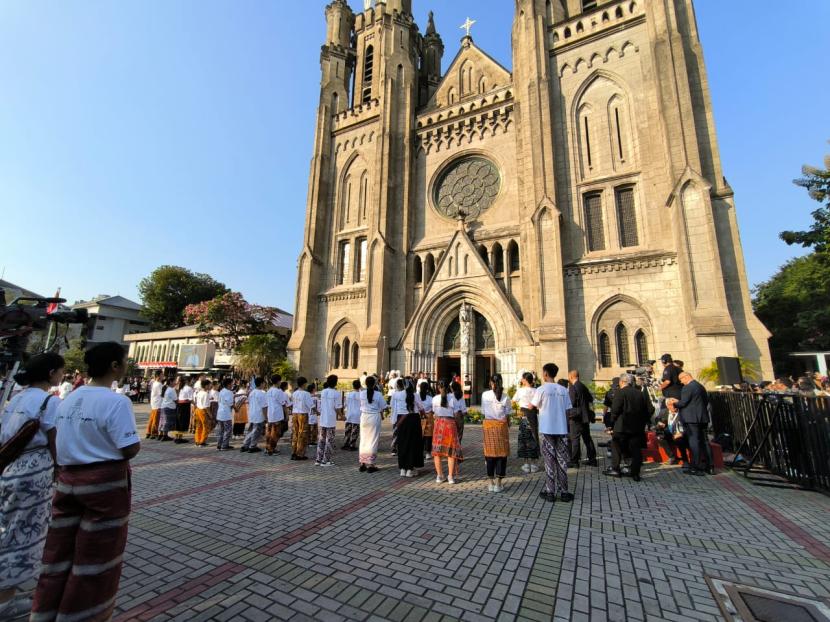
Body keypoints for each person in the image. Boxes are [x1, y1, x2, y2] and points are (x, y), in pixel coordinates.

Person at [31, 342, 140, 622]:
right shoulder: (116, 401)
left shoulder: (69, 399)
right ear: (115, 366)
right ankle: (82, 615)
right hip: (103, 487)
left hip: (68, 481)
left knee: (59, 553)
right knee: (96, 559)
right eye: (124, 361)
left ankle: (45, 612)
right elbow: (129, 447)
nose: (126, 366)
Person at [0, 353, 64, 619]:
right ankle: (5, 602)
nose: (62, 375)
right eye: (61, 371)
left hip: (8, 468)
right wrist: (60, 469)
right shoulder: (50, 402)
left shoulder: (15, 398)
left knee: (7, 528)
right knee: (23, 534)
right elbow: (56, 441)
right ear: (51, 373)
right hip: (33, 473)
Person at [531, 363, 573, 503]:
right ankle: (564, 492)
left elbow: (533, 405)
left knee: (549, 460)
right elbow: (568, 411)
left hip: (547, 429)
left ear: (546, 374)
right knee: (562, 460)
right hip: (561, 429)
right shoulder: (563, 390)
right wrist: (565, 428)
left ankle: (550, 492)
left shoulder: (541, 389)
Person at [604, 373, 653, 481]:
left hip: (622, 426)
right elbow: (650, 410)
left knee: (615, 446)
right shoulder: (640, 393)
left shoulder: (620, 393)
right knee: (636, 450)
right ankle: (635, 473)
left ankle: (615, 469)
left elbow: (615, 410)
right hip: (637, 427)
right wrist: (643, 421)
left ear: (622, 382)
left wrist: (610, 425)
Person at [669, 372, 711, 475]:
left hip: (691, 419)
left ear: (686, 377)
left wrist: (674, 403)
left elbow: (683, 403)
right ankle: (710, 466)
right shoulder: (701, 386)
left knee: (694, 442)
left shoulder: (687, 387)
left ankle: (695, 467)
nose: (681, 382)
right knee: (705, 442)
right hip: (703, 418)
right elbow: (705, 401)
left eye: (681, 379)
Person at [482, 374, 510, 493]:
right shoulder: (505, 397)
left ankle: (490, 482)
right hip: (501, 427)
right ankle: (499, 484)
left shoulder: (485, 395)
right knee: (501, 455)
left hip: (488, 426)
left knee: (489, 455)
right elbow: (508, 414)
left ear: (491, 382)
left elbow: (483, 411)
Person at [432, 380, 463, 484]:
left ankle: (439, 476)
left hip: (438, 424)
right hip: (450, 424)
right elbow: (457, 414)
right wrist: (458, 426)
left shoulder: (435, 398)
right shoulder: (453, 398)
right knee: (451, 451)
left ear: (438, 388)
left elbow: (434, 414)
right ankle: (450, 477)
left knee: (437, 452)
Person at [567, 370, 598, 467]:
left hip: (576, 417)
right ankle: (592, 459)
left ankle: (574, 461)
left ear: (571, 376)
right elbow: (590, 399)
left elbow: (571, 402)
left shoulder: (573, 387)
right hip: (585, 417)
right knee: (587, 438)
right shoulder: (582, 386)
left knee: (575, 439)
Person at [396, 379, 424, 478]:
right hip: (413, 419)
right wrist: (423, 414)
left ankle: (403, 469)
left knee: (402, 443)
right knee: (413, 444)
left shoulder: (397, 394)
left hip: (401, 419)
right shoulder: (415, 395)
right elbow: (421, 408)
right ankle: (410, 469)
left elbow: (394, 408)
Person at [358, 376, 387, 473]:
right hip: (374, 417)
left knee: (363, 439)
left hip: (364, 417)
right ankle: (371, 464)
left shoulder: (361, 394)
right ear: (375, 384)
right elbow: (383, 406)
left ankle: (362, 462)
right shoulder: (378, 394)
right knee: (373, 440)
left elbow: (360, 405)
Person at [513, 372, 540, 473]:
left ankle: (526, 463)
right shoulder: (536, 390)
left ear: (525, 379)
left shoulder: (520, 390)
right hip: (533, 414)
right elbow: (538, 404)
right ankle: (534, 463)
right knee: (533, 436)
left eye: (522, 379)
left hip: (524, 413)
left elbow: (513, 400)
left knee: (524, 437)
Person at [316, 375, 342, 467]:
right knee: (329, 440)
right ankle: (325, 461)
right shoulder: (336, 393)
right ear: (335, 382)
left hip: (323, 418)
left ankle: (318, 459)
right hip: (330, 419)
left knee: (321, 439)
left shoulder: (323, 391)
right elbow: (337, 408)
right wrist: (342, 416)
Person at [290, 377, 314, 461]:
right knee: (302, 434)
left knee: (295, 433)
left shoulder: (294, 393)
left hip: (295, 414)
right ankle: (300, 454)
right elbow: (311, 405)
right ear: (304, 384)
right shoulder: (306, 394)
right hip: (303, 414)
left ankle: (294, 452)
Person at [241, 377, 267, 453]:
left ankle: (246, 445)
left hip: (252, 414)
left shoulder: (252, 392)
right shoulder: (261, 394)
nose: (264, 384)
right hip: (258, 415)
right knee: (256, 431)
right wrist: (266, 417)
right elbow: (264, 407)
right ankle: (252, 446)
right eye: (264, 383)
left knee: (252, 430)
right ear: (261, 383)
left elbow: (249, 402)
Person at [265, 374, 289, 456]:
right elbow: (283, 404)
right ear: (278, 381)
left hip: (270, 413)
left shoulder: (268, 391)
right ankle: (271, 449)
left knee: (269, 432)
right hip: (277, 414)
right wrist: (287, 415)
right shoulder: (279, 392)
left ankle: (267, 447)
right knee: (276, 433)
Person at [216, 378, 235, 451]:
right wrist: (236, 408)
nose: (232, 385)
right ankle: (224, 445)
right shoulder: (229, 392)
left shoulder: (221, 391)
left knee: (221, 430)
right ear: (228, 384)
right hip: (226, 414)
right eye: (232, 383)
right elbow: (231, 403)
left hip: (220, 413)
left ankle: (219, 445)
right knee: (228, 430)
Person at [342, 379, 361, 451]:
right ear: (359, 386)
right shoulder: (361, 395)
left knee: (348, 429)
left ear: (353, 386)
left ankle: (346, 443)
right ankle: (352, 445)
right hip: (357, 414)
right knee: (355, 430)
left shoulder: (348, 394)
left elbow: (345, 404)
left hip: (349, 413)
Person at [389, 378, 407, 456]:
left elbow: (391, 404)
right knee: (404, 432)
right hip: (406, 415)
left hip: (397, 415)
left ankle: (394, 449)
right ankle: (403, 448)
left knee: (396, 432)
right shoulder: (407, 393)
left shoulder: (395, 394)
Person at [193, 379, 213, 447]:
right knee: (206, 427)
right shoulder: (205, 394)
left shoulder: (199, 392)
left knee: (198, 426)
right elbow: (206, 406)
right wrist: (210, 415)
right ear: (206, 386)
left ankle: (197, 441)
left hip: (198, 410)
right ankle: (202, 441)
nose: (211, 386)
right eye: (210, 385)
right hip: (203, 411)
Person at [174, 376, 194, 444]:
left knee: (178, 421)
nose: (192, 382)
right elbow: (190, 399)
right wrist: (196, 405)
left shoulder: (181, 387)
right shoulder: (189, 388)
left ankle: (177, 437)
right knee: (182, 421)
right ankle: (179, 438)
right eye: (192, 380)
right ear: (187, 381)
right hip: (185, 405)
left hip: (179, 405)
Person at [419, 381, 434, 459]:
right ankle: (428, 452)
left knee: (420, 435)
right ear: (427, 389)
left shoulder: (417, 397)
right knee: (428, 436)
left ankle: (420, 452)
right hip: (429, 417)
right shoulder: (431, 398)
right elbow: (433, 409)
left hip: (419, 417)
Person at [146, 371, 163, 439]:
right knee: (156, 419)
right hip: (157, 403)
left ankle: (149, 432)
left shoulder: (154, 383)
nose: (163, 376)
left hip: (154, 403)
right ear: (158, 376)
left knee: (152, 418)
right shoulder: (158, 384)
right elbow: (161, 394)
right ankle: (154, 433)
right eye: (162, 375)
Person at [159, 377, 177, 441]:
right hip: (169, 407)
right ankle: (165, 436)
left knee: (163, 421)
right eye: (175, 381)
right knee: (167, 422)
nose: (176, 382)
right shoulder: (172, 390)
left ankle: (162, 435)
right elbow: (175, 399)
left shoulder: (167, 388)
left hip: (164, 406)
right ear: (171, 382)